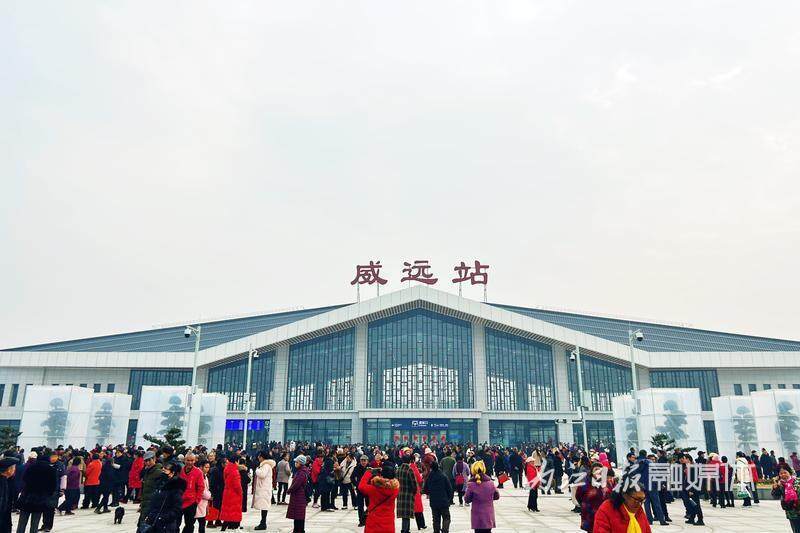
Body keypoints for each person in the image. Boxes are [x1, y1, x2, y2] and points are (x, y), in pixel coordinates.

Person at [16, 450, 57, 533]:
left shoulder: (31, 467)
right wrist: (47, 494)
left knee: (22, 521)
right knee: (35, 522)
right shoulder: (51, 470)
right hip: (40, 498)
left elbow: (25, 479)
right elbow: (53, 486)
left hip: (27, 496)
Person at [144, 463, 186, 533]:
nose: (163, 472)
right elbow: (153, 503)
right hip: (153, 521)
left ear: (172, 473)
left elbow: (177, 509)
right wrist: (149, 514)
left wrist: (163, 518)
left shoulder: (176, 488)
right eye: (163, 470)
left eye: (166, 470)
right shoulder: (160, 485)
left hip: (166, 525)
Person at [358, 464, 400, 533]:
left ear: (381, 476)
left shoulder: (373, 489)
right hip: (388, 523)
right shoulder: (395, 490)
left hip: (373, 523)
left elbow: (361, 486)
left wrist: (368, 472)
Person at [464, 461, 499, 533]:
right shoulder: (491, 483)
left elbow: (467, 499)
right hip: (488, 515)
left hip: (477, 516)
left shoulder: (471, 485)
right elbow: (497, 496)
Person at [575, 463, 611, 532]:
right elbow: (578, 496)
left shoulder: (607, 483)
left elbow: (610, 496)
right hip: (589, 513)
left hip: (603, 514)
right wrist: (584, 505)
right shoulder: (585, 484)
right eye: (596, 470)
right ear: (591, 472)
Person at [423, 461, 452, 533]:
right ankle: (445, 530)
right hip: (443, 501)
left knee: (436, 519)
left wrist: (430, 492)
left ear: (431, 468)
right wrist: (449, 499)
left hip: (434, 502)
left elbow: (425, 490)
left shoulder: (429, 477)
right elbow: (449, 489)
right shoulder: (443, 476)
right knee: (446, 518)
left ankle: (436, 531)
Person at [180, 453, 205, 533]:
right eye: (188, 460)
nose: (190, 462)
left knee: (189, 524)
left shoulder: (198, 472)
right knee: (176, 523)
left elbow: (201, 487)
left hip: (191, 502)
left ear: (195, 461)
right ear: (184, 460)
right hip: (179, 501)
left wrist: (196, 501)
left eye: (192, 460)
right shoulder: (180, 471)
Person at [773, 464, 800, 533]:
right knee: (796, 529)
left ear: (789, 472)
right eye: (781, 473)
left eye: (785, 472)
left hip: (798, 507)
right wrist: (776, 488)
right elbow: (776, 496)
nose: (783, 475)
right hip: (791, 511)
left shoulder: (797, 481)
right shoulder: (780, 484)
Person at [252, 451, 275, 531]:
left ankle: (263, 523)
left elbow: (262, 475)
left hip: (264, 489)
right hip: (265, 488)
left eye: (259, 456)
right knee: (264, 506)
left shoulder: (265, 465)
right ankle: (262, 522)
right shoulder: (265, 465)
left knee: (264, 506)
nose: (258, 458)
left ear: (262, 457)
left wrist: (257, 470)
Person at [140, 451, 164, 525]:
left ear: (154, 459)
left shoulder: (158, 472)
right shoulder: (147, 471)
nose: (147, 463)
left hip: (153, 504)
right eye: (145, 461)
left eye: (149, 460)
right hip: (145, 503)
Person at [396, 450, 418, 533]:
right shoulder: (409, 470)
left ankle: (406, 529)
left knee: (404, 514)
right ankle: (404, 530)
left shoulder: (398, 469)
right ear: (409, 461)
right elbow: (414, 484)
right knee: (407, 514)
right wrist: (414, 492)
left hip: (400, 494)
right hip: (408, 495)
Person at [286, 455, 309, 533]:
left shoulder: (301, 472)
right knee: (298, 515)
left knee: (298, 515)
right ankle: (297, 530)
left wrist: (289, 490)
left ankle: (299, 530)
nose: (295, 463)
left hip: (299, 495)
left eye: (297, 462)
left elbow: (297, 484)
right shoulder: (301, 471)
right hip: (298, 495)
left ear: (300, 463)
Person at [219, 455, 242, 531]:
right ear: (236, 461)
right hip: (234, 495)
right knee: (234, 513)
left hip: (227, 493)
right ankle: (233, 528)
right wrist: (240, 493)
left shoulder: (226, 469)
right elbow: (237, 485)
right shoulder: (235, 471)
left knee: (228, 513)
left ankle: (224, 528)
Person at [0, 457, 19, 533]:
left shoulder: (5, 480)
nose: (15, 470)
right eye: (14, 468)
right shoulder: (2, 482)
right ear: (9, 470)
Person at [194, 460, 212, 533]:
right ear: (201, 467)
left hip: (202, 502)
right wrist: (209, 496)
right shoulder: (199, 475)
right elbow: (202, 490)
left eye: (208, 467)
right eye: (206, 467)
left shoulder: (205, 475)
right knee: (197, 522)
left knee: (201, 522)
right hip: (198, 501)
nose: (207, 469)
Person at [352, 454, 369, 527]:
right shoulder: (357, 468)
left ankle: (367, 519)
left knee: (369, 505)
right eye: (362, 461)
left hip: (368, 489)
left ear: (367, 461)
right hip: (360, 489)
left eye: (364, 461)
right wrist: (357, 484)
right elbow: (352, 477)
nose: (363, 462)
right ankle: (361, 520)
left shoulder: (370, 468)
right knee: (360, 506)